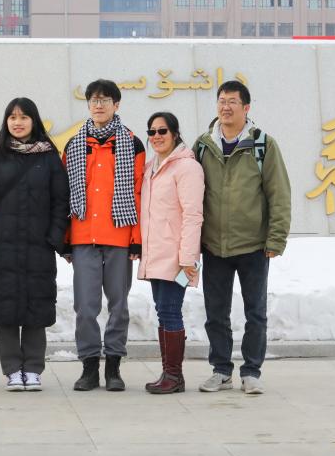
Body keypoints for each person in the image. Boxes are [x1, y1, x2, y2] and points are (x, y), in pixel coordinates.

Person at [194, 81, 291, 395]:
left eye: (232, 101)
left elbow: (279, 195)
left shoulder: (263, 145)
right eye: (221, 101)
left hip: (254, 246)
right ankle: (221, 371)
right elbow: (192, 196)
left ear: (246, 108)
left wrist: (276, 239)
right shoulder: (203, 145)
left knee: (255, 313)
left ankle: (251, 371)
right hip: (214, 245)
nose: (226, 107)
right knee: (215, 314)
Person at [0, 98, 70, 391]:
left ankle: (34, 369)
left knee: (37, 306)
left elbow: (61, 200)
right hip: (3, 244)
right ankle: (12, 369)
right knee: (6, 307)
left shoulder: (49, 155)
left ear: (34, 121)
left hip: (38, 244)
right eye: (12, 117)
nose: (17, 122)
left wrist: (53, 237)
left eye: (24, 117)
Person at [62, 79, 145, 392]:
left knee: (118, 306)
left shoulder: (132, 144)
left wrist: (136, 238)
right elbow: (66, 194)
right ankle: (88, 367)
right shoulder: (74, 145)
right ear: (88, 105)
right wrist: (65, 238)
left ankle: (113, 366)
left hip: (119, 237)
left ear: (116, 105)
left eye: (105, 100)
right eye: (94, 100)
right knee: (85, 307)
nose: (99, 105)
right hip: (83, 237)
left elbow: (138, 192)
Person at [136, 112, 204, 394]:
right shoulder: (151, 168)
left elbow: (193, 215)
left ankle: (174, 376)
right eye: (152, 132)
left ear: (175, 134)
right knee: (163, 311)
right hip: (155, 255)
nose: (156, 137)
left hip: (177, 258)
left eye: (162, 131)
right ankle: (170, 373)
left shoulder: (187, 168)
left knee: (170, 311)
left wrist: (187, 258)